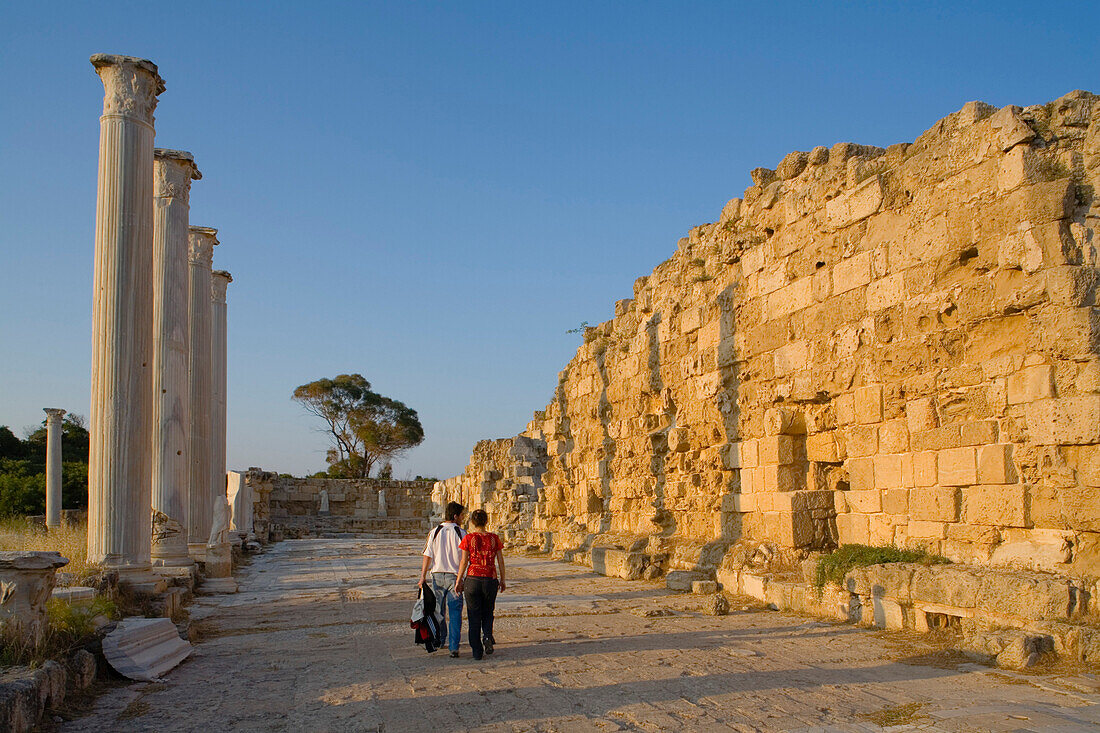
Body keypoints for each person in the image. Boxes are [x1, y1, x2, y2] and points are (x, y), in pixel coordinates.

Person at [454, 508, 505, 660]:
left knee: (473, 615)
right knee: (488, 611)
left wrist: (459, 580)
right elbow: (500, 561)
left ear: (472, 522)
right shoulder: (494, 538)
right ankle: (488, 636)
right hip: (490, 579)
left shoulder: (468, 539)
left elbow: (464, 562)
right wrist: (503, 579)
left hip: (473, 579)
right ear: (486, 521)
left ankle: (477, 651)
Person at [418, 501, 466, 658]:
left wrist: (422, 576)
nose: (463, 518)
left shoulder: (435, 532)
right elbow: (465, 559)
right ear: (455, 516)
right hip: (454, 576)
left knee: (438, 611)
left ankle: (439, 639)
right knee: (455, 612)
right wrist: (462, 578)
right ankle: (453, 646)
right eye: (462, 515)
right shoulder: (461, 533)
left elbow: (427, 555)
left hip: (437, 574)